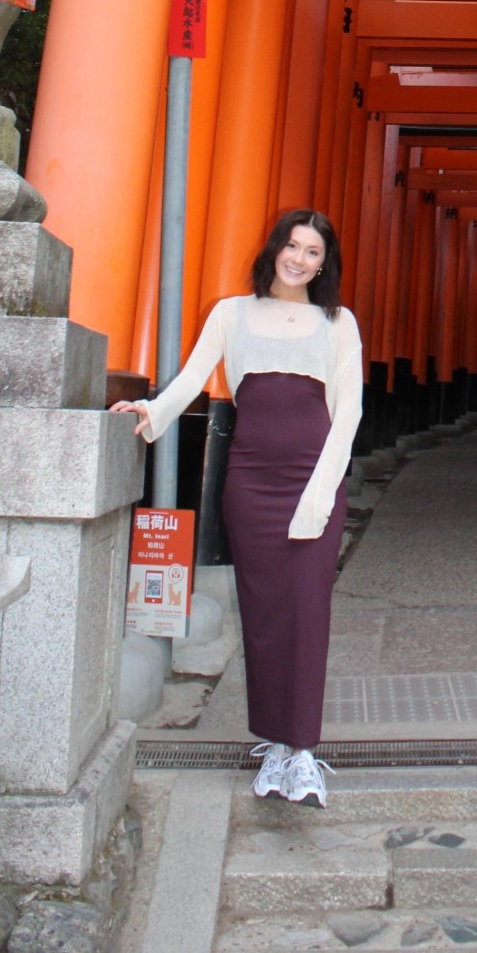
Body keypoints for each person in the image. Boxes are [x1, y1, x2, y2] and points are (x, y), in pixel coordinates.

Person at [110, 208, 361, 809]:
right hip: (249, 481)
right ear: (274, 247)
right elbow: (194, 377)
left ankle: (303, 751)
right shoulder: (232, 313)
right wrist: (150, 413)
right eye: (293, 246)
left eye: (313, 253)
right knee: (265, 613)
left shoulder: (338, 323)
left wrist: (320, 495)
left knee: (307, 612)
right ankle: (275, 742)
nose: (300, 260)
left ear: (325, 265)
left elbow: (346, 413)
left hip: (311, 478)